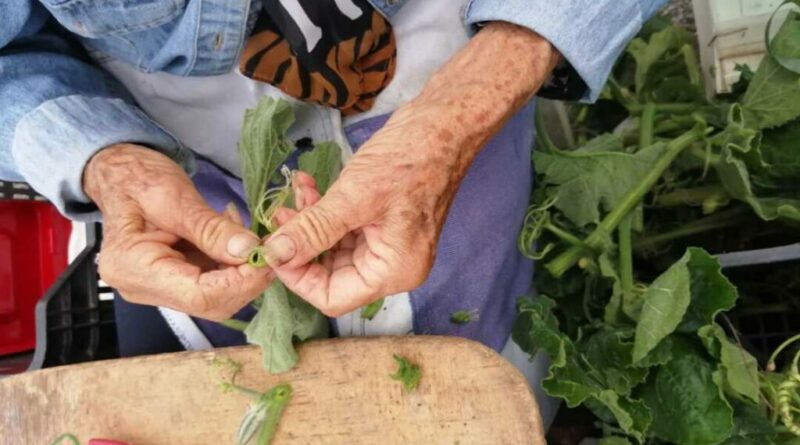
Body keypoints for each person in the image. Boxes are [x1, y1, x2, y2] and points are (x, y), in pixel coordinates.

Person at [2, 0, 667, 425]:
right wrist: (106, 160)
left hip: (447, 63)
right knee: (239, 400)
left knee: (493, 387)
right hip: (177, 152)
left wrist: (465, 107)